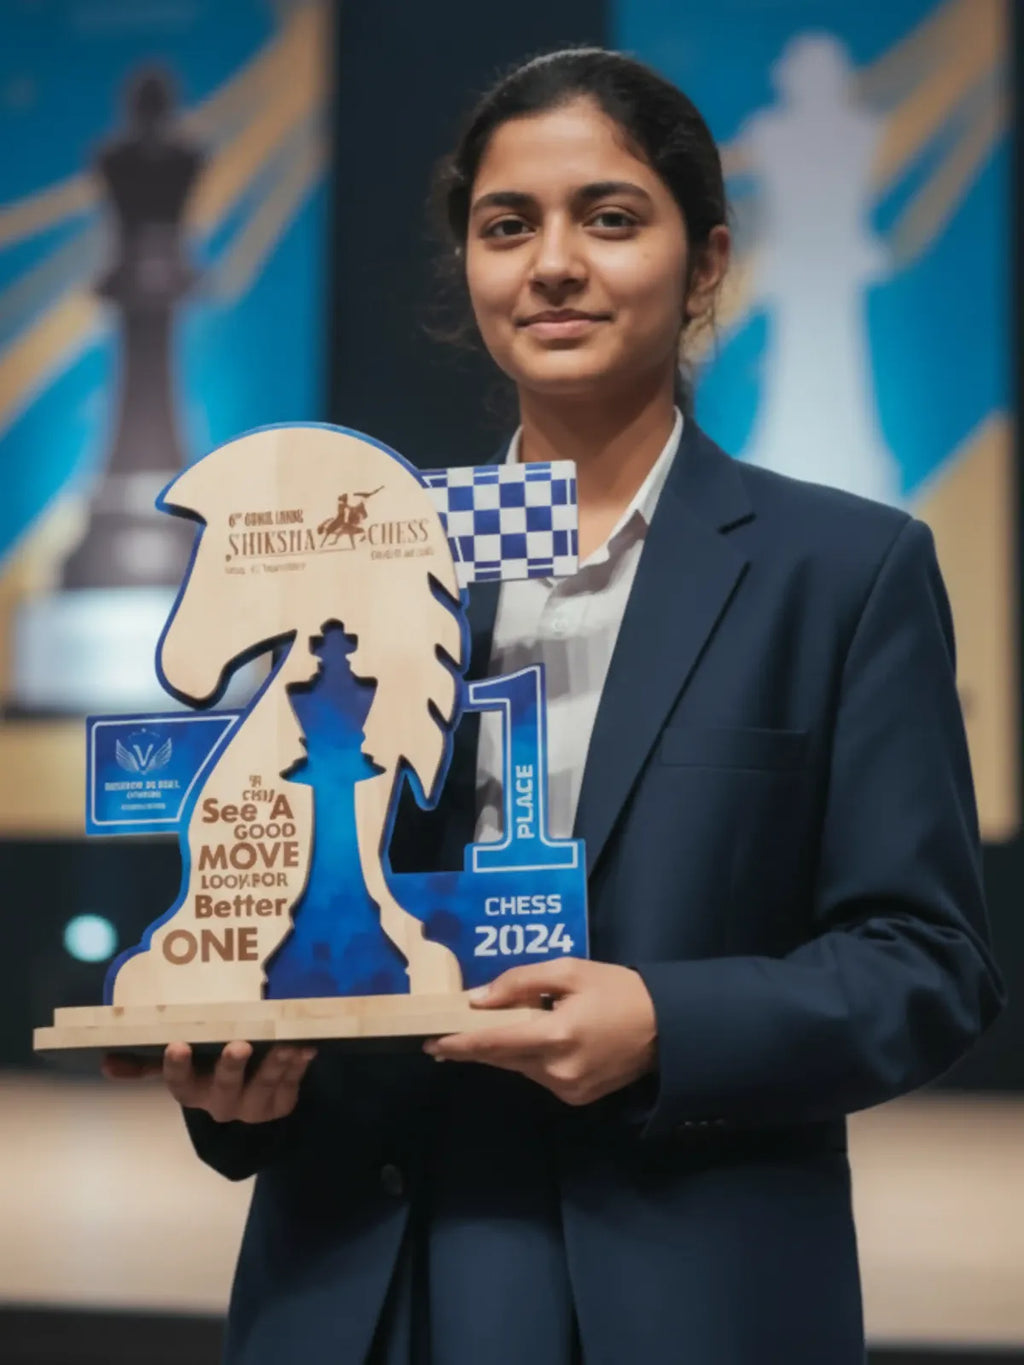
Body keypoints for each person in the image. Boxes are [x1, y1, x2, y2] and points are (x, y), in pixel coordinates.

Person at [104, 47, 1004, 1364]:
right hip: (367, 1283)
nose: (554, 263)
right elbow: (284, 904)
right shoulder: (354, 550)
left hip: (676, 1285)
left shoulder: (845, 573)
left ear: (705, 263)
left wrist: (664, 1023)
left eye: (613, 217)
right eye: (507, 225)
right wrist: (239, 1081)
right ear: (467, 266)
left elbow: (927, 964)